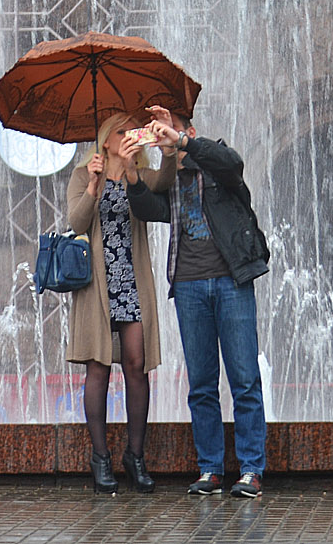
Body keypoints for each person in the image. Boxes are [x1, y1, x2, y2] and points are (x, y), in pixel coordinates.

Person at [127, 105, 269, 498]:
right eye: (159, 132)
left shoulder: (216, 165)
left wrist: (182, 141)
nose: (164, 136)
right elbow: (151, 209)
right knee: (202, 384)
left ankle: (251, 469)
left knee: (244, 378)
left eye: (171, 129)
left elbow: (233, 164)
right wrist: (133, 176)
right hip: (189, 286)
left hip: (231, 281)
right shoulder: (170, 177)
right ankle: (210, 469)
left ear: (189, 132)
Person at [64, 112, 161, 494]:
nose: (129, 136)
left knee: (137, 366)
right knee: (98, 367)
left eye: (133, 131)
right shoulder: (84, 174)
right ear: (106, 140)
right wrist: (93, 185)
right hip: (97, 287)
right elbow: (76, 224)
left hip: (132, 282)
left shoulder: (141, 174)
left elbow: (166, 184)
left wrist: (166, 151)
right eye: (123, 131)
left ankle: (135, 456)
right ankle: (100, 457)